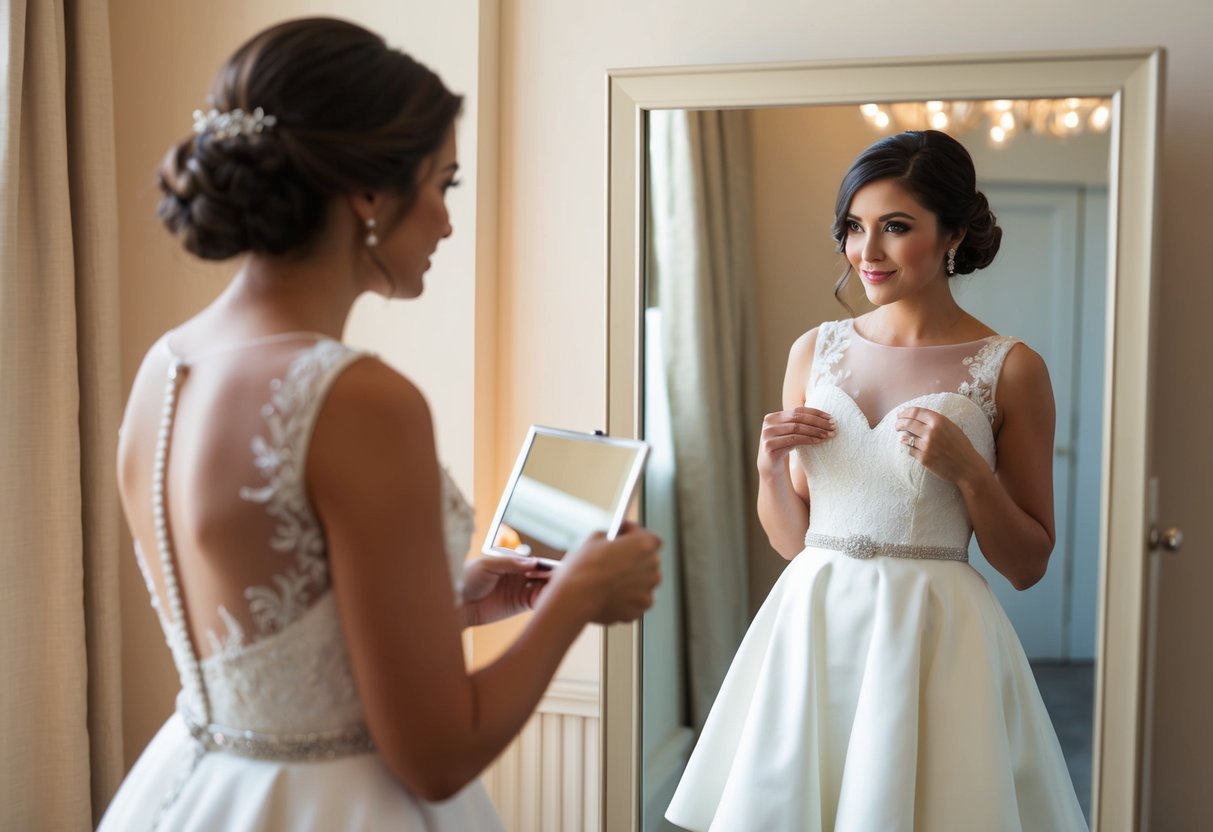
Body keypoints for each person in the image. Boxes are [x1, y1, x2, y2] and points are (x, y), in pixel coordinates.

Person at [99, 17, 661, 831]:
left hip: (195, 789)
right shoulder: (357, 398)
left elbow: (272, 638)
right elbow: (436, 759)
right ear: (366, 193)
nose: (445, 221)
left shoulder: (166, 366)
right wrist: (573, 598)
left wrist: (448, 607)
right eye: (443, 184)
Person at [665, 130, 1088, 831]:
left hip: (932, 634)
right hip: (813, 618)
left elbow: (1028, 565)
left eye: (895, 227)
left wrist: (970, 475)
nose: (867, 251)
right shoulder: (815, 349)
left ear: (952, 232)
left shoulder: (1012, 368)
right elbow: (794, 543)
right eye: (854, 228)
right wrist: (767, 465)